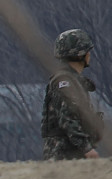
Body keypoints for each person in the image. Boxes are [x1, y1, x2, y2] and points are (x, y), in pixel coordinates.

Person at [42, 29, 103, 161]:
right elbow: (67, 118)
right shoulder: (65, 81)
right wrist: (86, 148)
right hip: (64, 153)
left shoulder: (74, 80)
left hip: (71, 151)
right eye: (87, 51)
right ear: (79, 55)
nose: (89, 54)